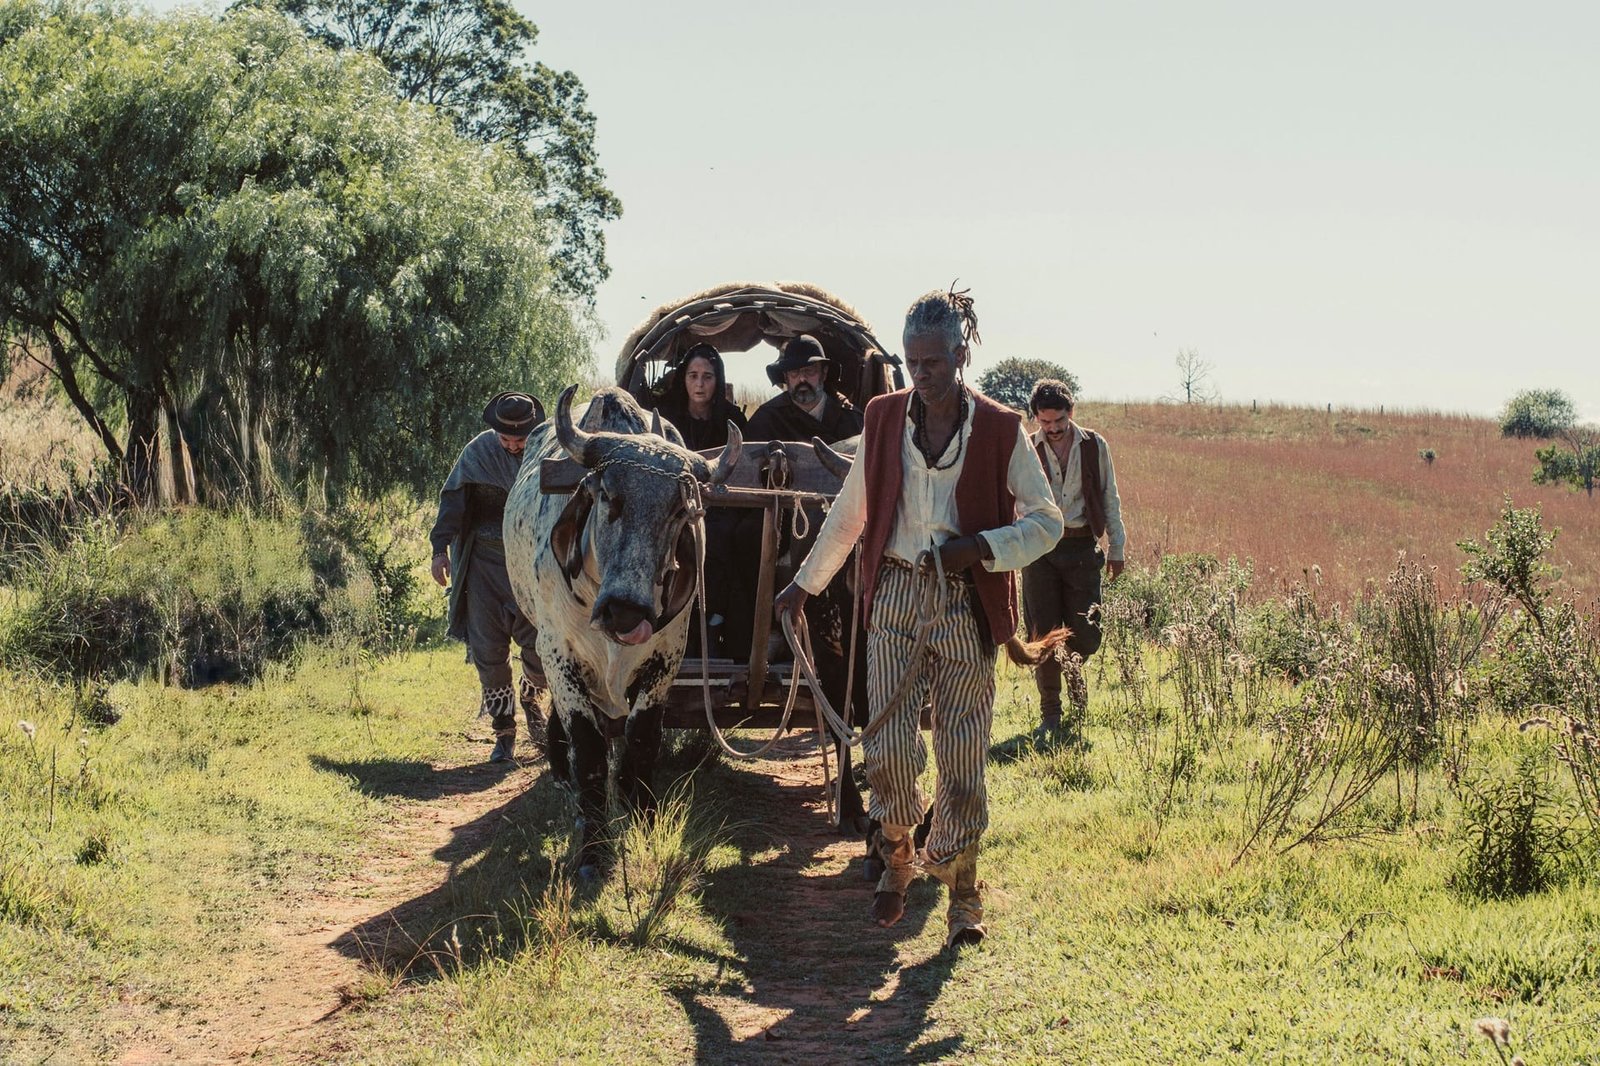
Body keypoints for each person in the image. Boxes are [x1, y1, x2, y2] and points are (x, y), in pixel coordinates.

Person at [774, 288, 1062, 948]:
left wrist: (980, 548)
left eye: (932, 362)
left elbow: (1047, 522)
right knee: (888, 750)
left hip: (964, 601)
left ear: (961, 356)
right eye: (911, 362)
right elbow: (851, 514)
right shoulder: (882, 419)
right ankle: (899, 854)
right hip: (896, 596)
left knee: (962, 755)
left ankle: (963, 893)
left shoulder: (1000, 429)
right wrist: (803, 586)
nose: (920, 374)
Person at [429, 392, 548, 764]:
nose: (512, 446)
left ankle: (531, 699)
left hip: (530, 567)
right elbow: (453, 502)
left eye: (519, 439)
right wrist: (439, 548)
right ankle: (504, 733)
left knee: (541, 647)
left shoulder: (546, 452)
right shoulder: (477, 453)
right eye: (505, 438)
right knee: (489, 651)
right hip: (484, 565)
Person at [1022, 379, 1126, 741]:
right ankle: (1051, 712)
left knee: (1087, 633)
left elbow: (1109, 497)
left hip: (1082, 548)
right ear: (1036, 418)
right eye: (1045, 422)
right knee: (1043, 635)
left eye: (1059, 421)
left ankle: (1076, 683)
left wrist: (1117, 548)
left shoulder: (1094, 445)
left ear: (1072, 412)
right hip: (1039, 551)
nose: (1052, 429)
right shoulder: (1026, 447)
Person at [650, 343, 749, 655]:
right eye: (693, 376)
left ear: (717, 380)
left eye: (707, 376)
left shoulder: (732, 419)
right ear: (683, 379)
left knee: (724, 536)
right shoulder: (666, 418)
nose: (700, 384)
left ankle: (716, 620)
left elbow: (744, 469)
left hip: (721, 506)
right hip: (673, 505)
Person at [746, 333, 864, 444]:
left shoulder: (852, 420)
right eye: (794, 372)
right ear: (786, 377)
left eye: (809, 370)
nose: (802, 379)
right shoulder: (767, 420)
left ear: (824, 373)